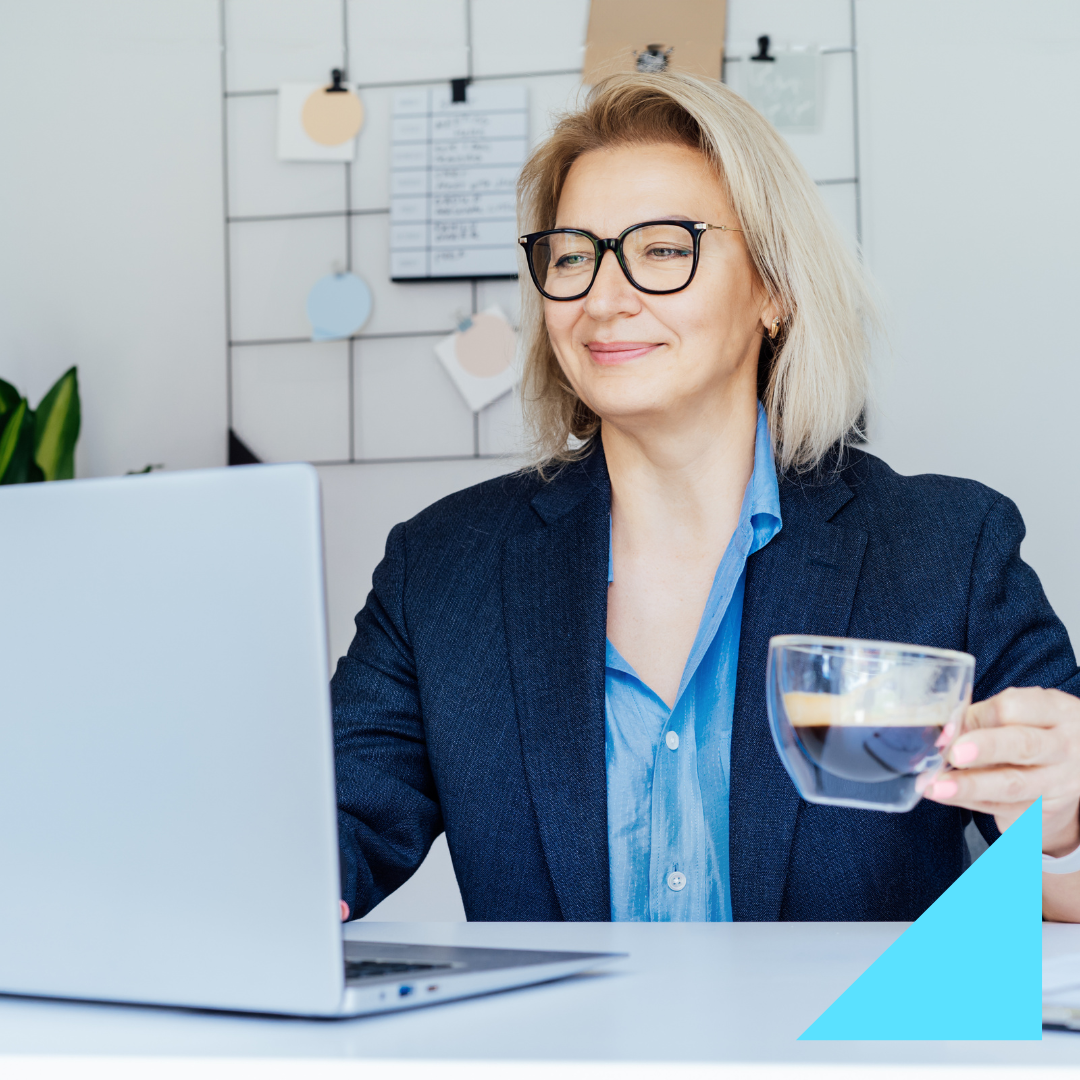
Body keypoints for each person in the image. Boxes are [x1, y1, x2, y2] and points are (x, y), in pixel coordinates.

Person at [332, 72, 1080, 924]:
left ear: (774, 289)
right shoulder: (441, 568)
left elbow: (1059, 883)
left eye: (661, 248)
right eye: (573, 255)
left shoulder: (948, 548)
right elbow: (322, 832)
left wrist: (1063, 825)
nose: (604, 300)